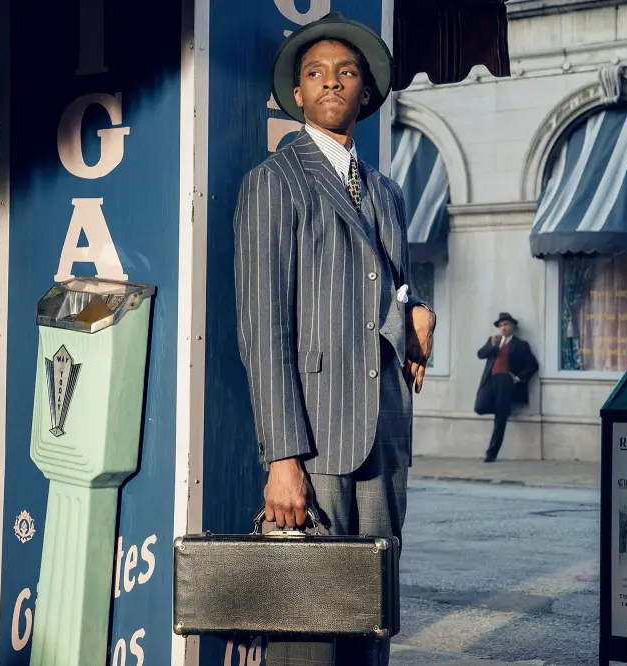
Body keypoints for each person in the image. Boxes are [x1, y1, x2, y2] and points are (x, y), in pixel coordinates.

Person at [232, 12, 436, 666]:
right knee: (308, 636)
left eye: (345, 73)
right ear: (297, 94)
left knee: (370, 630)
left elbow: (390, 288)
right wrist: (282, 459)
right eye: (315, 73)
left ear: (365, 92)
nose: (330, 83)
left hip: (384, 437)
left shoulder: (390, 193)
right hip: (315, 445)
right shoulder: (274, 182)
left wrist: (417, 316)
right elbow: (264, 330)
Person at [474, 312, 538, 462]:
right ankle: (501, 409)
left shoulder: (521, 345)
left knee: (500, 421)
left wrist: (518, 378)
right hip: (490, 380)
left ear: (512, 327)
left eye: (506, 325)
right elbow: (480, 354)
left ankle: (491, 453)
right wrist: (491, 343)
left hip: (506, 381)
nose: (503, 328)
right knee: (479, 407)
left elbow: (533, 365)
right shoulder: (494, 341)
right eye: (501, 325)